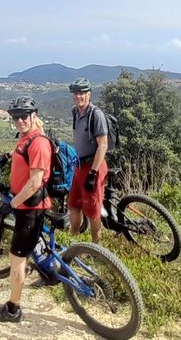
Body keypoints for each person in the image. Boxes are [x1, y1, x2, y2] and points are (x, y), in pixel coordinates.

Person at [0, 96, 52, 323]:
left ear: (34, 116)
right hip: (27, 206)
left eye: (24, 116)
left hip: (30, 208)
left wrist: (14, 203)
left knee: (17, 259)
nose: (19, 120)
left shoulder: (38, 143)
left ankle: (13, 309)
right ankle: (51, 273)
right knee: (34, 246)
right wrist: (7, 156)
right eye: (15, 116)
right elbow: (22, 155)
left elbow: (35, 182)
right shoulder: (27, 137)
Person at [67, 78, 109, 243]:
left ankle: (96, 248)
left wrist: (92, 173)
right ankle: (74, 241)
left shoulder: (96, 115)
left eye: (82, 93)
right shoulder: (75, 112)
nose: (78, 96)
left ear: (89, 94)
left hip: (93, 167)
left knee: (93, 210)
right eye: (76, 93)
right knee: (73, 205)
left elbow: (103, 145)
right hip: (79, 166)